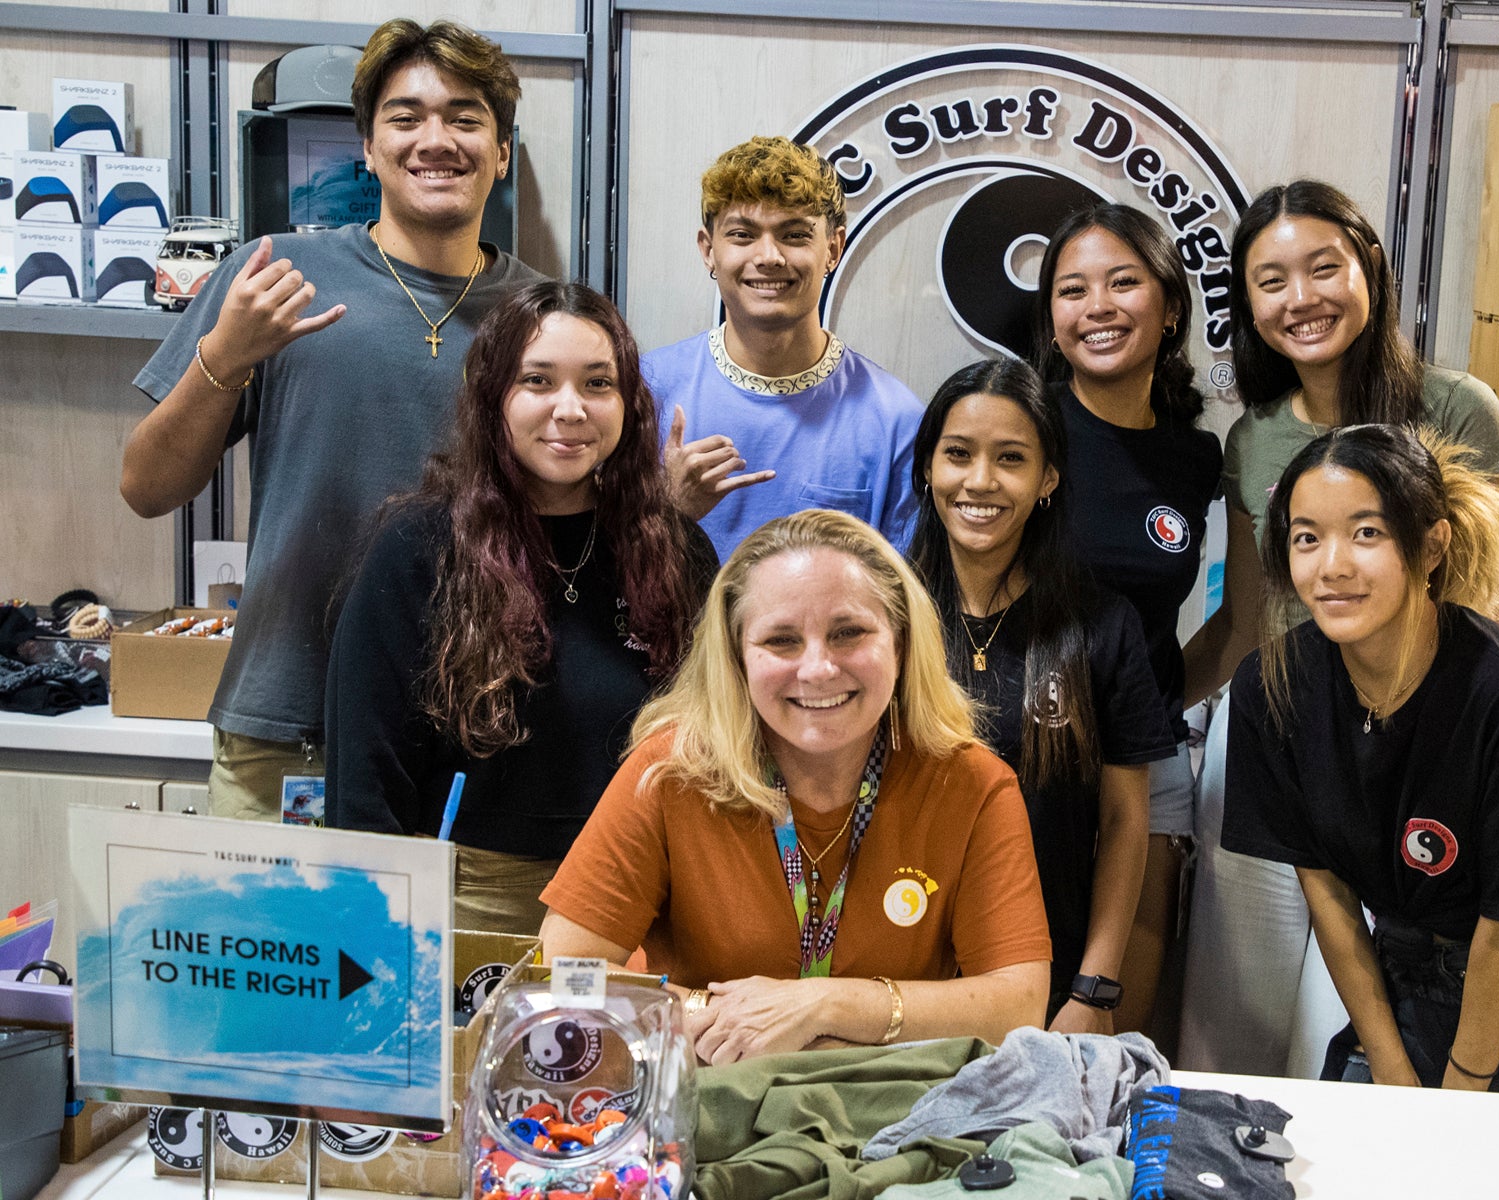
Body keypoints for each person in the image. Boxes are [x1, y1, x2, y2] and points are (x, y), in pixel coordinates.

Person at [121, 18, 542, 820]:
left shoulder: (539, 318)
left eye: (465, 117)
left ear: (501, 152)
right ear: (370, 147)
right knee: (276, 949)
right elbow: (146, 487)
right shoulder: (275, 276)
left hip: (474, 741)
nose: (436, 140)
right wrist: (226, 354)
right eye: (406, 117)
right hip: (288, 730)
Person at [1222, 424, 1499, 1101]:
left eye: (1366, 533)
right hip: (1404, 990)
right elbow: (1330, 899)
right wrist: (1394, 1069)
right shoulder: (1273, 686)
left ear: (1431, 544)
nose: (1332, 565)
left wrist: (1458, 1095)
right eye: (1307, 537)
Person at [540, 509, 1051, 1063]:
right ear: (736, 658)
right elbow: (562, 971)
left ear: (901, 644)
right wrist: (719, 1018)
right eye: (781, 640)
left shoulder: (973, 785)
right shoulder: (669, 772)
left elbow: (1016, 1008)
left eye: (848, 633)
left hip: (897, 1114)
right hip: (708, 1100)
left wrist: (821, 1007)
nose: (818, 669)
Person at [326, 282, 713, 935]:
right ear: (493, 398)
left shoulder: (676, 550)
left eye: (598, 384)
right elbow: (365, 778)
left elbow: (720, 734)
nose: (570, 410)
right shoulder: (420, 547)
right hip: (469, 903)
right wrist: (372, 933)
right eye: (538, 381)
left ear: (629, 404)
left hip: (638, 899)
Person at [1183, 179, 1499, 709]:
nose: (1301, 299)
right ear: (1249, 304)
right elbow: (1245, 623)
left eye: (1324, 269)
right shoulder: (1253, 439)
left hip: (1427, 724)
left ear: (1369, 265)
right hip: (1298, 725)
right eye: (1272, 282)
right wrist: (1137, 722)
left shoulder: (1460, 409)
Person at [909, 358, 1175, 1032]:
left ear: (1048, 478)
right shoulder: (878, 618)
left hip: (1047, 978)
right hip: (900, 975)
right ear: (926, 469)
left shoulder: (1102, 626)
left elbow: (1123, 824)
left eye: (1011, 459)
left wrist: (1093, 989)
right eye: (958, 454)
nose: (980, 481)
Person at [1034, 203, 1222, 1034]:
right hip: (1026, 760)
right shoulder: (1025, 430)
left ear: (1170, 304)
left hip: (1148, 772)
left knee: (1121, 1032)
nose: (1097, 307)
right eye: (1073, 290)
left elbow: (1231, 621)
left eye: (1122, 283)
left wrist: (1155, 709)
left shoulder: (1194, 453)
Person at [646, 136, 921, 561]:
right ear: (708, 250)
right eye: (742, 234)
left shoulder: (895, 421)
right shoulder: (646, 391)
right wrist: (668, 511)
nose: (769, 256)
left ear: (833, 248)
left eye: (794, 235)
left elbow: (900, 598)